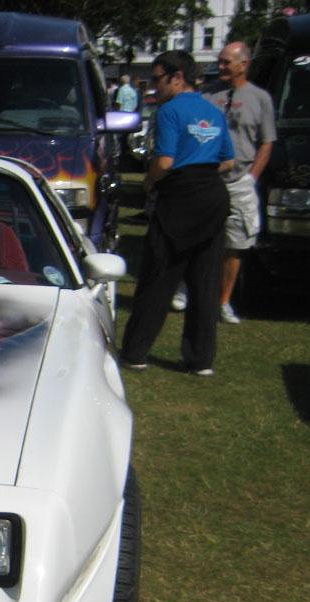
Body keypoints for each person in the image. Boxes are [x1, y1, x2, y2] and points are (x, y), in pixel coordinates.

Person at [120, 50, 234, 377]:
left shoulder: (169, 111)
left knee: (159, 276)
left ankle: (136, 352)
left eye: (156, 80)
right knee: (205, 281)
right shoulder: (213, 111)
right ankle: (200, 359)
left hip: (180, 196)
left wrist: (149, 180)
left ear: (177, 77)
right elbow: (228, 160)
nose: (153, 87)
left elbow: (165, 162)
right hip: (212, 194)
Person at [209, 41, 276, 324]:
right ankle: (188, 288)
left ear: (243, 64)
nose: (221, 66)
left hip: (240, 182)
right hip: (207, 180)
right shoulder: (209, 95)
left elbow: (266, 142)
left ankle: (223, 301)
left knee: (235, 243)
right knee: (197, 237)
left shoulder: (260, 98)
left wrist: (252, 178)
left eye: (227, 62)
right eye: (220, 61)